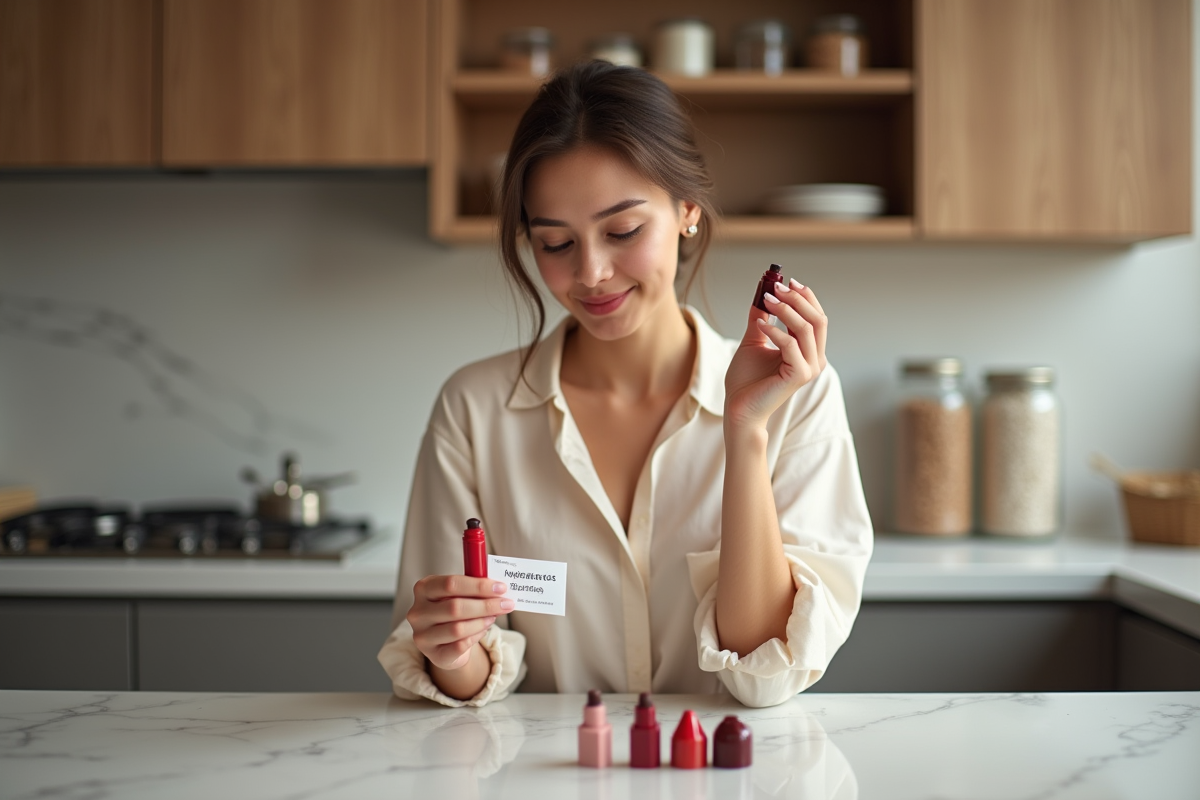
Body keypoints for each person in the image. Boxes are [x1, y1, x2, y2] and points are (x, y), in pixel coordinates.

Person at [379, 61, 872, 708]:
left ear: (687, 209)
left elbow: (763, 674)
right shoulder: (474, 410)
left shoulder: (794, 393)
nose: (591, 273)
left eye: (622, 231)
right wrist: (452, 651)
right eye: (555, 243)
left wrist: (745, 433)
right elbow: (466, 672)